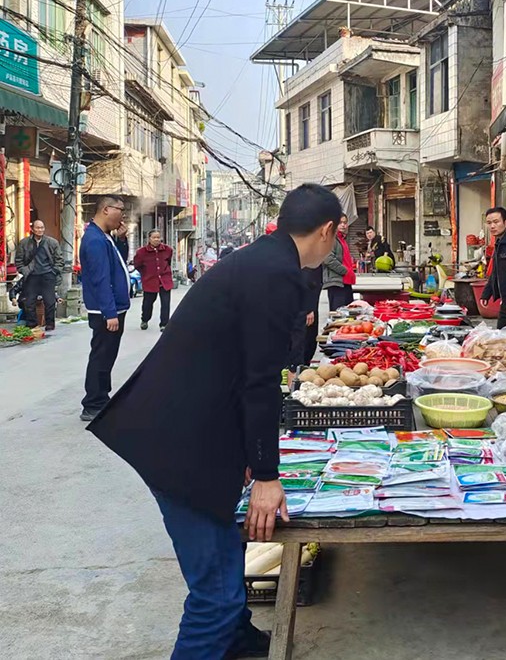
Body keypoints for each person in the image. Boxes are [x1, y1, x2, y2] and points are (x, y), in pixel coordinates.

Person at [87, 184, 343, 659]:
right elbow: (260, 382)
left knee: (227, 557)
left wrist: (247, 458)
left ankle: (239, 644)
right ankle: (222, 637)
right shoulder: (276, 274)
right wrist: (266, 475)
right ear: (328, 231)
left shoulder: (261, 259)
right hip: (177, 440)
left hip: (188, 425)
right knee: (215, 598)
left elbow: (242, 369)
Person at [79, 197, 130, 422]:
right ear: (106, 209)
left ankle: (101, 397)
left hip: (113, 308)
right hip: (105, 312)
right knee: (101, 356)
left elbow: (117, 264)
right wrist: (110, 313)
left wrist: (121, 239)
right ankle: (93, 403)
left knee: (107, 356)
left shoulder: (104, 237)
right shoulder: (95, 240)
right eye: (120, 210)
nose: (123, 214)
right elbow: (101, 279)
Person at [14, 219, 63, 331]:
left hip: (47, 275)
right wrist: (24, 270)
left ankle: (50, 324)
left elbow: (59, 260)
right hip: (31, 275)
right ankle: (32, 324)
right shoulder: (24, 243)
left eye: (42, 228)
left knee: (50, 301)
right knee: (29, 301)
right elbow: (19, 260)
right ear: (32, 229)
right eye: (38, 228)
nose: (40, 230)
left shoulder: (52, 242)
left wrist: (54, 271)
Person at [133, 230, 174, 332]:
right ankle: (145, 319)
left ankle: (164, 324)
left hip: (164, 280)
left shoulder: (168, 250)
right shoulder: (141, 252)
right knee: (148, 303)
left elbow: (168, 262)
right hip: (150, 281)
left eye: (158, 237)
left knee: (165, 303)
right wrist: (146, 274)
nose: (157, 239)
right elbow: (137, 265)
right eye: (154, 237)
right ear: (149, 239)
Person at [322, 214, 356, 311]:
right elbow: (328, 259)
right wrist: (345, 271)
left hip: (345, 283)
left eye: (345, 223)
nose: (343, 225)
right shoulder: (331, 238)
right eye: (340, 223)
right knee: (338, 316)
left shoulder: (342, 239)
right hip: (336, 283)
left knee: (348, 316)